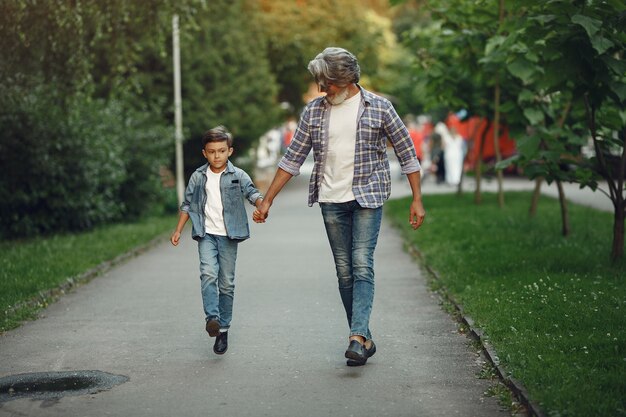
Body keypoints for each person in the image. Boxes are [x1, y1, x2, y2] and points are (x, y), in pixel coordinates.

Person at [253, 47, 425, 366]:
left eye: (327, 83)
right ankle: (364, 337)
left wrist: (417, 198)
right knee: (345, 272)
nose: (322, 89)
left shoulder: (380, 107)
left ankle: (356, 337)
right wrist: (267, 199)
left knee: (361, 263)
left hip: (368, 196)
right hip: (331, 199)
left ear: (346, 79)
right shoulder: (314, 111)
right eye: (320, 82)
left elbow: (407, 153)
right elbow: (292, 158)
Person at [171, 126, 263, 355]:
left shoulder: (238, 175)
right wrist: (178, 230)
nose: (217, 156)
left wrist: (263, 206)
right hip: (206, 234)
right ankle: (212, 318)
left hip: (229, 235)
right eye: (212, 152)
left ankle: (223, 330)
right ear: (205, 153)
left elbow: (253, 193)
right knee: (208, 274)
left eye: (221, 151)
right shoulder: (198, 176)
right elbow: (187, 204)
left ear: (229, 151)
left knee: (226, 284)